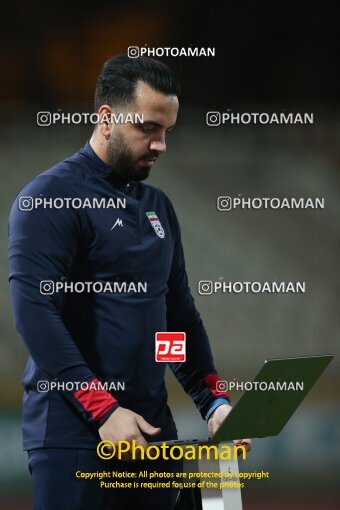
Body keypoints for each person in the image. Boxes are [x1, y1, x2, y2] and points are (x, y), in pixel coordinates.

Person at [8, 55, 251, 510]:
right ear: (106, 119)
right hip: (77, 438)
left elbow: (175, 321)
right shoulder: (47, 198)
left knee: (222, 490)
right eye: (148, 129)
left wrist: (214, 402)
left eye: (167, 132)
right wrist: (103, 409)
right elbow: (34, 315)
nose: (160, 144)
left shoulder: (158, 206)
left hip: (154, 436)